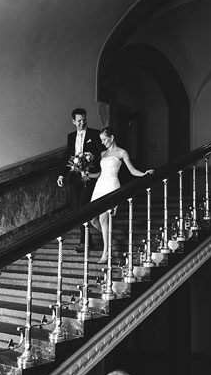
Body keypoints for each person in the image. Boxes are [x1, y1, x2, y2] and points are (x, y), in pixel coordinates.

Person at [89, 127, 154, 263]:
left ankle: (106, 253)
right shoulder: (102, 154)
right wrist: (88, 175)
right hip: (99, 186)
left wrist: (144, 174)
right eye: (102, 140)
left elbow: (132, 170)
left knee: (103, 219)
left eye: (105, 139)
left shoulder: (122, 152)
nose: (103, 142)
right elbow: (101, 173)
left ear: (112, 138)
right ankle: (109, 240)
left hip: (112, 186)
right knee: (93, 219)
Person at [56, 108, 103, 253]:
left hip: (89, 176)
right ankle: (87, 240)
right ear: (73, 122)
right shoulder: (71, 136)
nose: (82, 123)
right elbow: (68, 157)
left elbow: (101, 153)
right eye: (79, 121)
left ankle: (85, 242)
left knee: (84, 206)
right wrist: (61, 175)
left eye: (84, 120)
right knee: (77, 209)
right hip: (74, 177)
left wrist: (96, 171)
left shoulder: (94, 133)